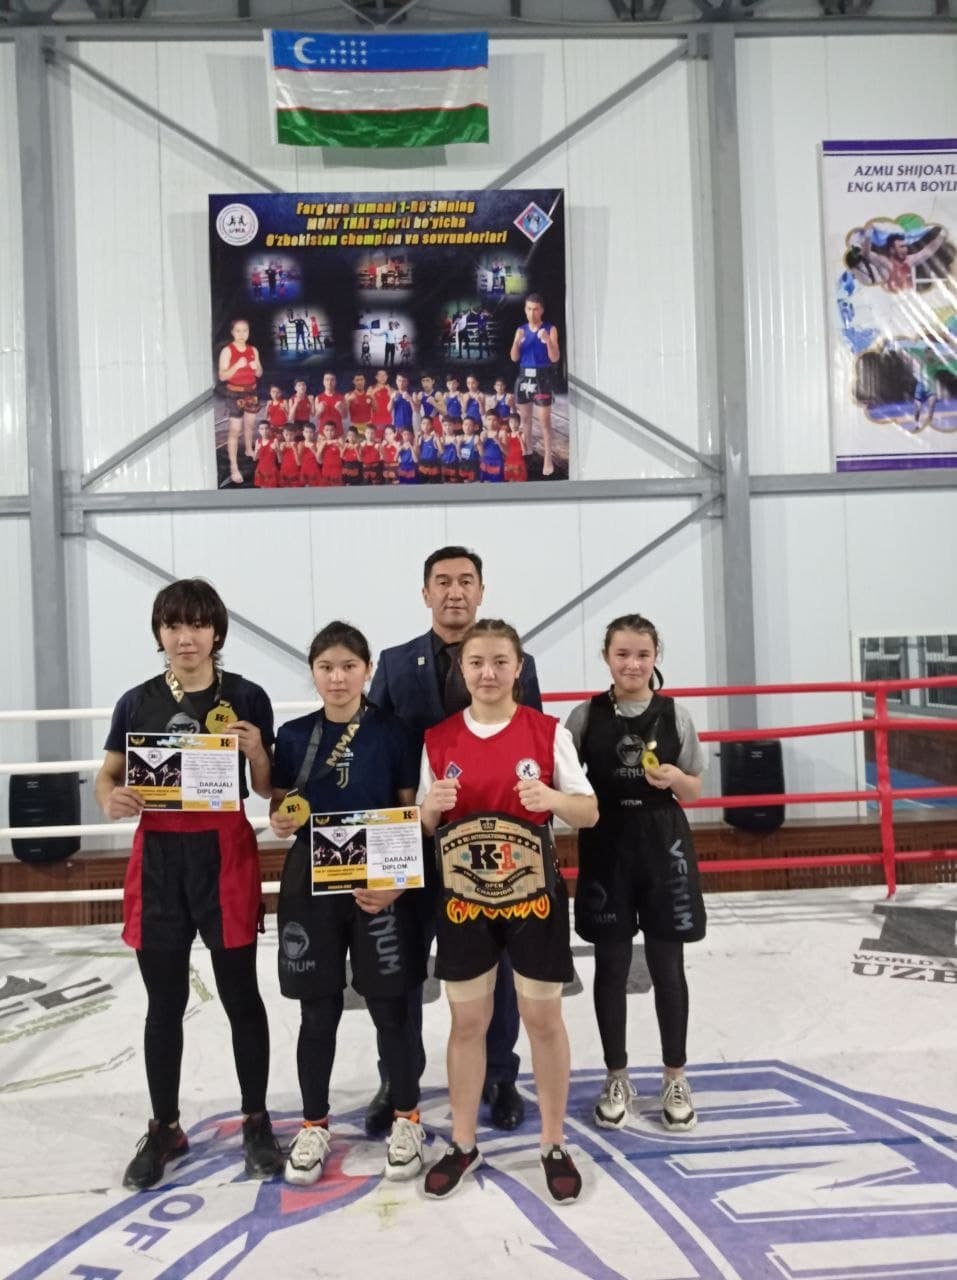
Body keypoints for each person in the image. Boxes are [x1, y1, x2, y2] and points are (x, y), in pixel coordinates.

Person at [95, 579, 282, 1190]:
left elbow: (266, 788)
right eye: (174, 625)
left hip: (224, 854)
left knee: (240, 994)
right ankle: (165, 1126)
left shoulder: (247, 696)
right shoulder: (136, 702)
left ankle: (256, 1120)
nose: (186, 637)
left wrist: (257, 753)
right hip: (159, 859)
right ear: (160, 633)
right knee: (164, 1001)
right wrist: (110, 799)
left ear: (216, 632)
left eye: (198, 624)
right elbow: (107, 778)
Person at [366, 547, 543, 1137]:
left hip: (494, 851)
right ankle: (398, 1080)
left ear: (482, 591)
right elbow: (378, 751)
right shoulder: (395, 664)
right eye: (442, 582)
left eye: (466, 581)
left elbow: (533, 749)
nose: (454, 592)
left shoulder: (517, 662)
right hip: (416, 842)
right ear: (425, 594)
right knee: (402, 969)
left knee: (500, 970)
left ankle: (499, 1076)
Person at [418, 619, 597, 1202]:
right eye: (477, 662)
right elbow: (423, 825)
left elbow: (589, 811)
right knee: (467, 1023)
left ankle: (553, 1143)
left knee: (543, 1020)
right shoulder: (438, 739)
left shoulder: (547, 732)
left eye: (500, 661)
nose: (488, 673)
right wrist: (430, 808)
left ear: (519, 668)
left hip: (533, 897)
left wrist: (553, 799)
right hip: (464, 900)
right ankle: (463, 1142)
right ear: (461, 669)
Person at [270, 622, 426, 1185]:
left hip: (378, 881)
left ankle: (407, 1118)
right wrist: (280, 820)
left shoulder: (396, 732)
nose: (337, 678)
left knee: (390, 1006)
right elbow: (283, 810)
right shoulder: (293, 735)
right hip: (311, 881)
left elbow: (411, 813)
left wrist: (399, 884)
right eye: (326, 667)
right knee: (317, 1010)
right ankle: (314, 1124)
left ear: (367, 671)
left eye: (348, 667)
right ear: (313, 673)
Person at [566, 614, 707, 1134]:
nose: (632, 664)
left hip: (663, 841)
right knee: (612, 964)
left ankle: (675, 1076)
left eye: (642, 654)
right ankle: (617, 1076)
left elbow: (696, 790)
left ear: (656, 657)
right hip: (606, 841)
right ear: (607, 657)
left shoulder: (676, 715)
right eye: (622, 654)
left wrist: (674, 778)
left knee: (669, 964)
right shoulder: (584, 717)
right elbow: (564, 780)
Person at [510, 293, 560, 477]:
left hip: (542, 377)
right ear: (525, 310)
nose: (532, 313)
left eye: (536, 309)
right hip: (524, 377)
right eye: (529, 309)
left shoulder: (550, 329)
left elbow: (555, 358)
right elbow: (514, 357)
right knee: (525, 419)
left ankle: (548, 457)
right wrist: (517, 341)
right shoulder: (520, 330)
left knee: (545, 421)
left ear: (542, 310)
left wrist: (548, 341)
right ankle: (528, 451)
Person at [218, 319, 262, 486]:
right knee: (235, 430)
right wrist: (236, 366)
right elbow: (222, 376)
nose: (242, 334)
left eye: (245, 330)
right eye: (238, 331)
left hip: (252, 391)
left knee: (250, 424)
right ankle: (234, 467)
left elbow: (259, 373)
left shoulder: (253, 350)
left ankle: (249, 449)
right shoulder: (227, 351)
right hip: (234, 393)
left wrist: (256, 367)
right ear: (232, 332)